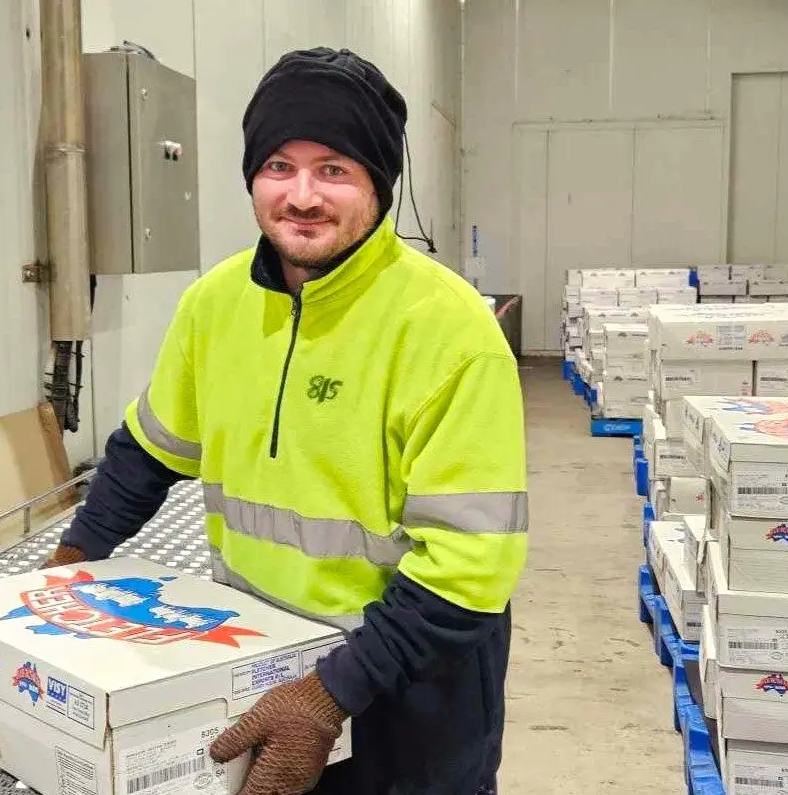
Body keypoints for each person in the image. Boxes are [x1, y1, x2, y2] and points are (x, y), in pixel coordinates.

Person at [43, 46, 527, 795]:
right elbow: (147, 450)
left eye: (333, 168)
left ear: (378, 182)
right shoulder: (215, 304)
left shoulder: (449, 331)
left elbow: (468, 571)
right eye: (278, 165)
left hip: (411, 703)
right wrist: (73, 555)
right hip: (258, 669)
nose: (301, 195)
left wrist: (329, 693)